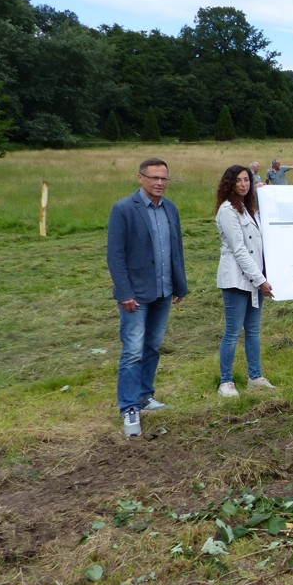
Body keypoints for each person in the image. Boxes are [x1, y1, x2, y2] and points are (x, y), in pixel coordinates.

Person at [107, 158, 188, 438]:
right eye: (154, 177)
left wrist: (180, 284)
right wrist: (124, 292)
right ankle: (129, 407)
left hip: (163, 290)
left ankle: (144, 395)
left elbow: (175, 248)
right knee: (132, 350)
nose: (159, 183)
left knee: (152, 345)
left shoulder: (170, 209)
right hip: (136, 295)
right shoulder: (124, 209)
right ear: (140, 178)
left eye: (164, 178)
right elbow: (115, 256)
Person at [215, 165, 276, 398]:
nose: (243, 184)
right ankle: (226, 381)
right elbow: (239, 250)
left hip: (254, 279)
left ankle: (255, 376)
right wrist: (261, 280)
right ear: (229, 183)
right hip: (236, 280)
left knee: (253, 330)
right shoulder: (227, 210)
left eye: (247, 180)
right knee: (233, 331)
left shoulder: (250, 209)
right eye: (238, 180)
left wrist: (264, 194)